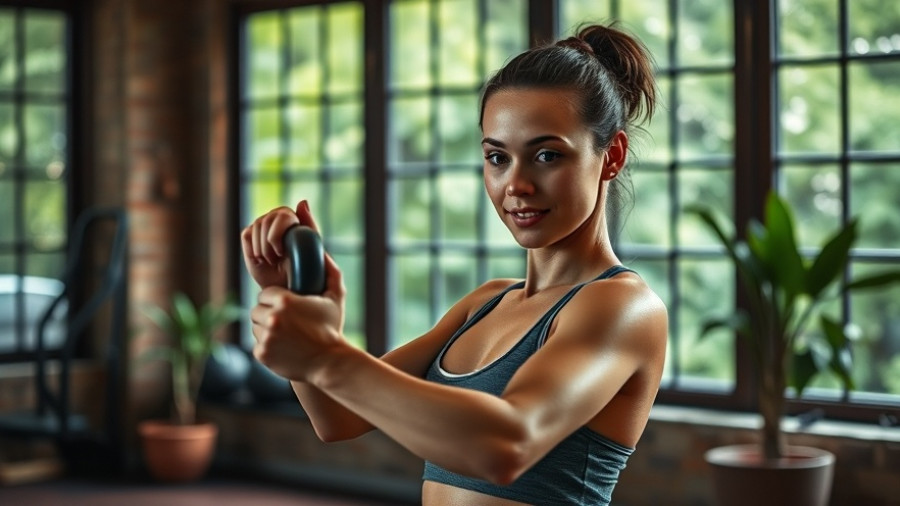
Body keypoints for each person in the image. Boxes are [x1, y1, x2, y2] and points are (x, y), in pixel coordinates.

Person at [241, 22, 667, 506]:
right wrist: (295, 297)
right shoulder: (486, 303)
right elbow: (337, 417)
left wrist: (324, 355)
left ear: (611, 156)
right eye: (497, 157)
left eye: (546, 155)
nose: (516, 185)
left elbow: (507, 445)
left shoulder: (623, 306)